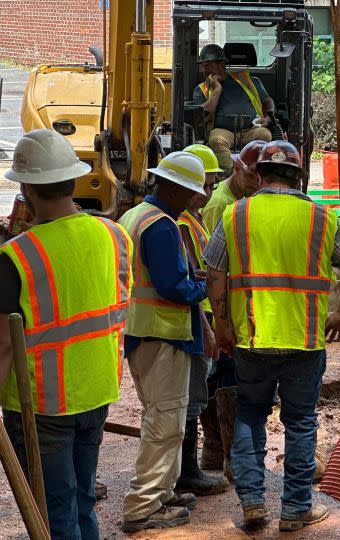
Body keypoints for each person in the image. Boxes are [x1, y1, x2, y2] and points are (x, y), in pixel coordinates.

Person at [204, 141, 340, 531]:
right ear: (299, 177)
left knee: (249, 415)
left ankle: (252, 502)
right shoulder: (321, 218)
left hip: (251, 338)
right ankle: (295, 509)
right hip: (305, 340)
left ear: (259, 175)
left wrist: (223, 323)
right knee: (299, 423)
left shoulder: (235, 215)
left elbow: (214, 272)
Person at [0, 129, 132, 540]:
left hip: (39, 403)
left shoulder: (16, 255)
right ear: (72, 180)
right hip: (97, 389)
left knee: (55, 510)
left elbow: (5, 343)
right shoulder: (113, 234)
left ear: (26, 187)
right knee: (81, 501)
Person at [118, 152, 215, 532]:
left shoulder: (136, 215)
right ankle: (143, 506)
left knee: (165, 417)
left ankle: (163, 492)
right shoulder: (161, 226)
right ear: (172, 187)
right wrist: (206, 286)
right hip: (162, 333)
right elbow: (173, 287)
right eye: (191, 191)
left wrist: (192, 278)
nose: (195, 199)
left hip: (142, 331)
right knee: (165, 421)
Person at [196, 139, 267, 481]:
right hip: (216, 307)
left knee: (221, 380)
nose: (258, 182)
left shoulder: (244, 202)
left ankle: (215, 450)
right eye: (254, 174)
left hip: (232, 307)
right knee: (223, 381)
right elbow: (213, 266)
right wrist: (218, 317)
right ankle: (224, 454)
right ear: (238, 168)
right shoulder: (220, 206)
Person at [174, 144, 229, 496]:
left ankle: (191, 467)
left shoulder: (192, 219)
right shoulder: (181, 223)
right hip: (194, 319)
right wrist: (208, 327)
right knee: (191, 398)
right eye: (206, 186)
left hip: (201, 316)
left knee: (198, 394)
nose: (210, 193)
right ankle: (186, 472)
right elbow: (193, 279)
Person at [193, 44, 274, 172]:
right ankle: (232, 172)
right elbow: (204, 116)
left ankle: (255, 172)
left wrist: (268, 117)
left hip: (250, 130)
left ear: (221, 65)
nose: (205, 70)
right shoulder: (201, 89)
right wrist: (217, 90)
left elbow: (268, 101)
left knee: (265, 135)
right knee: (216, 140)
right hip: (223, 132)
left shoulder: (249, 81)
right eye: (203, 66)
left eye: (208, 65)